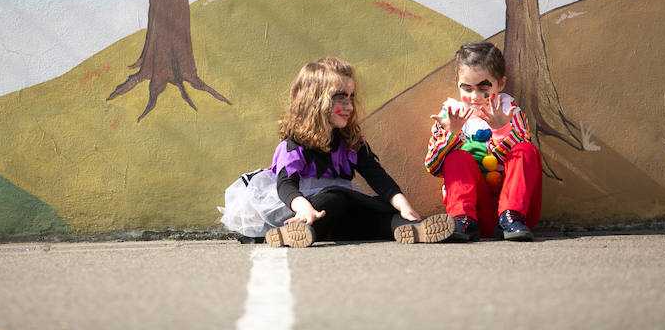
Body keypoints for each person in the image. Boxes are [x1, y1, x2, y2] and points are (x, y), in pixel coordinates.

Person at [220, 56, 456, 247]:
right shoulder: (294, 145)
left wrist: (403, 205)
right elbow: (286, 184)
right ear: (315, 101)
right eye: (341, 99)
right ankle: (295, 232)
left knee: (379, 210)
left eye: (351, 98)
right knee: (336, 196)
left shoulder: (351, 141)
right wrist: (303, 207)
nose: (350, 107)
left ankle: (412, 229)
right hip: (301, 211)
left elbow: (377, 176)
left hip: (337, 220)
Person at [424, 41, 542, 241]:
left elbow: (524, 162)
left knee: (526, 150)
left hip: (517, 214)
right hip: (477, 213)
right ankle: (461, 220)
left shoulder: (511, 113)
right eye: (467, 88)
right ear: (458, 84)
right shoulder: (449, 116)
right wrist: (452, 133)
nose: (475, 97)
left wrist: (500, 129)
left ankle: (510, 216)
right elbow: (433, 166)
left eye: (483, 88)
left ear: (501, 84)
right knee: (457, 158)